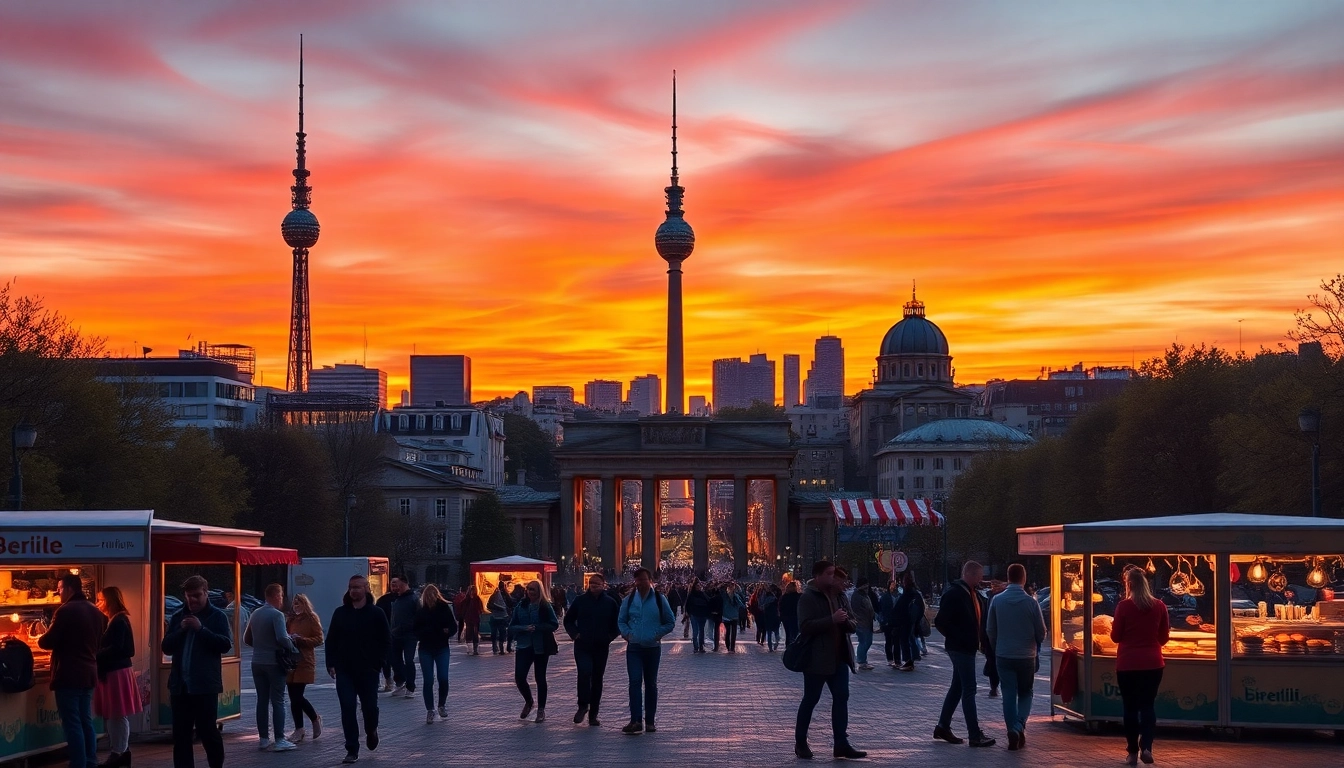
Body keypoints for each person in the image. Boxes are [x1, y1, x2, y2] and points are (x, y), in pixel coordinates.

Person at [793, 562, 865, 761]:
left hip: (840, 656)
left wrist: (846, 622)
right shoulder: (808, 597)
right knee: (811, 699)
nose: (834, 577)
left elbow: (852, 621)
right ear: (818, 576)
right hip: (817, 658)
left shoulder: (840, 596)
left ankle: (841, 744)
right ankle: (801, 742)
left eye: (834, 574)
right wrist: (831, 620)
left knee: (842, 698)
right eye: (829, 574)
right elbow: (805, 626)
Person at [162, 575, 232, 768]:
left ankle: (216, 764)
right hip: (180, 687)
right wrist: (180, 631)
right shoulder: (178, 617)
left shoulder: (217, 616)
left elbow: (225, 644)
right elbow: (166, 647)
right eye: (188, 596)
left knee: (208, 731)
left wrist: (201, 630)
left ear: (206, 593)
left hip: (204, 686)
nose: (192, 600)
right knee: (181, 735)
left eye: (196, 595)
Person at [38, 573, 104, 768]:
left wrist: (42, 637)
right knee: (85, 720)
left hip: (69, 674)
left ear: (68, 588)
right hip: (89, 672)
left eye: (59, 589)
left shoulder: (65, 611)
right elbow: (99, 642)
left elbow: (47, 641)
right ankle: (90, 760)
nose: (58, 593)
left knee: (72, 723)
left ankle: (78, 763)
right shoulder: (96, 611)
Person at [327, 574, 392, 764]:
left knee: (369, 707)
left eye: (357, 587)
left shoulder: (376, 613)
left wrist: (378, 663)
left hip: (368, 670)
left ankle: (371, 730)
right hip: (344, 670)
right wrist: (331, 663)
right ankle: (351, 749)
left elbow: (386, 641)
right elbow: (331, 640)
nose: (353, 591)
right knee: (347, 707)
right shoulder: (340, 613)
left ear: (366, 589)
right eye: (351, 587)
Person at [1110, 567, 1170, 766]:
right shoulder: (1159, 606)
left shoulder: (1123, 607)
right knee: (1148, 706)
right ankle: (1147, 747)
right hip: (1153, 663)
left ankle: (1132, 752)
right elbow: (1163, 638)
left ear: (1129, 585)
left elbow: (1115, 637)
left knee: (1129, 707)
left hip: (1127, 664)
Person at [933, 561, 995, 748]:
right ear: (970, 574)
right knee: (969, 689)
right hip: (960, 648)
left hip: (966, 647)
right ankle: (974, 734)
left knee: (958, 687)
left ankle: (943, 726)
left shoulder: (972, 593)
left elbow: (980, 614)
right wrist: (959, 638)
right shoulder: (955, 594)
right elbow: (941, 622)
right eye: (979, 576)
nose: (981, 579)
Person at [986, 564, 1045, 752]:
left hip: (1003, 654)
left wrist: (997, 646)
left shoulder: (997, 601)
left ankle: (1011, 728)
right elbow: (1041, 631)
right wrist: (1036, 642)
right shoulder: (1031, 602)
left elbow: (990, 629)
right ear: (1024, 578)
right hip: (1026, 655)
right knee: (1026, 692)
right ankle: (1019, 726)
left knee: (1008, 693)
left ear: (1008, 577)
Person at [616, 568, 674, 735]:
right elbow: (621, 620)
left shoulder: (659, 599)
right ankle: (635, 720)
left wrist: (656, 634)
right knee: (634, 682)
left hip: (652, 648)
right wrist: (628, 634)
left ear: (650, 580)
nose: (641, 583)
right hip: (634, 647)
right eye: (638, 580)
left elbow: (670, 622)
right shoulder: (628, 600)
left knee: (651, 684)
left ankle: (649, 721)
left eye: (644, 579)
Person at [244, 584, 300, 752]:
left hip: (257, 662)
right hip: (274, 662)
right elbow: (282, 638)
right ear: (276, 596)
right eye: (281, 596)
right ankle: (280, 739)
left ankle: (263, 739)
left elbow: (247, 638)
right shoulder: (277, 615)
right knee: (278, 700)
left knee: (262, 700)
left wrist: (260, 645)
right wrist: (292, 643)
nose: (282, 599)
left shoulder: (255, 613)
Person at [563, 572, 620, 727]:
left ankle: (593, 714)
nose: (593, 585)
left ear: (603, 585)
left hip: (601, 647)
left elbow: (618, 624)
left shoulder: (610, 603)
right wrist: (575, 634)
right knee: (584, 672)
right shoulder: (580, 600)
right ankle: (582, 706)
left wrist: (609, 637)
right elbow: (568, 620)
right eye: (591, 583)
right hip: (582, 645)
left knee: (597, 679)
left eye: (597, 583)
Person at [94, 586, 142, 768]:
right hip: (115, 671)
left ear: (110, 601)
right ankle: (121, 751)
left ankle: (119, 752)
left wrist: (95, 654)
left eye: (101, 600)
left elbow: (120, 648)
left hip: (116, 672)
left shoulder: (119, 621)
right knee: (115, 714)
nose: (98, 603)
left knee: (117, 714)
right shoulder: (114, 620)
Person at [510, 580, 560, 723]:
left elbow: (554, 624)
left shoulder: (545, 606)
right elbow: (512, 626)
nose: (530, 592)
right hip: (524, 646)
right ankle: (529, 701)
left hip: (540, 646)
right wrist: (524, 628)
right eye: (528, 589)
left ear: (539, 591)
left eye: (533, 589)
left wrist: (538, 627)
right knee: (520, 677)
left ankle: (541, 709)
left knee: (540, 678)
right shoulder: (521, 606)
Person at [413, 584, 459, 724]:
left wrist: (447, 632)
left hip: (440, 647)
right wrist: (427, 633)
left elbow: (453, 626)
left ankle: (441, 705)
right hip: (427, 647)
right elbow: (415, 629)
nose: (431, 597)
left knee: (442, 678)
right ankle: (431, 709)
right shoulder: (421, 611)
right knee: (429, 680)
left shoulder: (443, 608)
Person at [285, 593, 324, 744]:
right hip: (290, 661)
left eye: (299, 604)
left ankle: (314, 718)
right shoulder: (291, 619)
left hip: (304, 660)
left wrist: (302, 640)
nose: (296, 607)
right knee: (293, 696)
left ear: (305, 604)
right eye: (294, 604)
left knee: (297, 696)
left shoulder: (312, 618)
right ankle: (299, 729)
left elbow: (319, 639)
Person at [384, 575, 418, 698]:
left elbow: (418, 617)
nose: (394, 587)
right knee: (394, 659)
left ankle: (410, 686)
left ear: (404, 583)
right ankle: (400, 681)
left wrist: (414, 629)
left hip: (409, 636)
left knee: (409, 660)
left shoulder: (413, 599)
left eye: (396, 584)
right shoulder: (396, 599)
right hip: (395, 635)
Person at [894, 571, 924, 670]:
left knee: (904, 640)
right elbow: (921, 607)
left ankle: (908, 661)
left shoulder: (907, 594)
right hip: (912, 620)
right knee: (909, 639)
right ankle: (913, 657)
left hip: (905, 621)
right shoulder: (915, 594)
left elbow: (899, 607)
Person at [850, 578, 875, 670]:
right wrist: (859, 619)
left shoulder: (864, 594)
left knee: (868, 641)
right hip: (861, 622)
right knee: (864, 641)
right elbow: (855, 609)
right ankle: (861, 661)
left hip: (867, 621)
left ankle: (862, 659)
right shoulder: (857, 595)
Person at [685, 579, 712, 653]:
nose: (699, 587)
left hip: (702, 615)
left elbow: (709, 602)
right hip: (694, 615)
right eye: (697, 586)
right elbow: (687, 605)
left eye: (699, 586)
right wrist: (689, 613)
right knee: (695, 631)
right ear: (694, 586)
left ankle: (701, 646)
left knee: (701, 631)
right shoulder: (691, 595)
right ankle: (696, 647)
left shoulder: (703, 594)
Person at [718, 582, 745, 653]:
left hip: (727, 616)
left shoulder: (725, 595)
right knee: (732, 632)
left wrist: (723, 584)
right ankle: (731, 648)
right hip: (733, 616)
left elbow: (719, 590)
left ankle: (729, 647)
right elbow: (741, 604)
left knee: (728, 632)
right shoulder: (735, 595)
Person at [458, 585, 483, 656]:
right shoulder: (471, 599)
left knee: (473, 633)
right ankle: (472, 649)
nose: (472, 591)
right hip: (472, 618)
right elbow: (480, 608)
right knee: (471, 633)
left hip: (472, 618)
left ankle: (472, 649)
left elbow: (462, 608)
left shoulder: (469, 599)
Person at [487, 583, 512, 655]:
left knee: (494, 633)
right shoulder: (506, 594)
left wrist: (493, 609)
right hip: (503, 617)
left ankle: (495, 647)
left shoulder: (494, 595)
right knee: (502, 632)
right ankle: (502, 649)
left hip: (494, 616)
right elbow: (510, 603)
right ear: (504, 586)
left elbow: (488, 605)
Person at [760, 584, 782, 652]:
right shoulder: (778, 596)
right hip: (775, 614)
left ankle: (770, 647)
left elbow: (761, 603)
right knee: (776, 631)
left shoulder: (766, 595)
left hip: (768, 615)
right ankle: (776, 642)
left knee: (769, 632)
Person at [780, 580, 801, 647]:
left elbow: (781, 608)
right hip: (796, 617)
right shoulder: (799, 596)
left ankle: (789, 649)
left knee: (788, 634)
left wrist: (782, 617)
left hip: (787, 618)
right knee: (795, 634)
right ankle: (794, 648)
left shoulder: (784, 597)